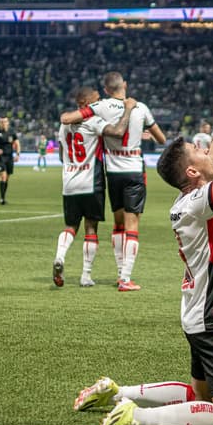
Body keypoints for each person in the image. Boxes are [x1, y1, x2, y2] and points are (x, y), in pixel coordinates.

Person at [73, 68, 213, 425]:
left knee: (201, 395)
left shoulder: (190, 198)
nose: (209, 148)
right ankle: (136, 418)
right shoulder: (201, 202)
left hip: (197, 313)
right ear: (194, 170)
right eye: (200, 150)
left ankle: (120, 393)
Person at [61, 72, 167, 291]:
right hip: (134, 170)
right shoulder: (141, 108)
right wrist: (143, 130)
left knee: (118, 224)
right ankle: (125, 279)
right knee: (132, 225)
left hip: (113, 172)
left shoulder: (100, 106)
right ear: (125, 85)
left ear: (107, 90)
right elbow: (162, 139)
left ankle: (120, 272)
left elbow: (69, 118)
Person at [53, 87, 136, 288]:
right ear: (87, 104)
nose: (100, 104)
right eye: (96, 101)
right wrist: (128, 109)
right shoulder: (94, 121)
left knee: (71, 226)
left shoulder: (63, 127)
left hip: (69, 182)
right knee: (91, 227)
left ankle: (60, 257)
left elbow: (61, 154)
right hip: (91, 181)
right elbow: (117, 132)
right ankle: (85, 275)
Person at [0, 116, 21, 205]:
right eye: (1, 122)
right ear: (0, 123)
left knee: (7, 178)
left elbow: (17, 144)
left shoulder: (11, 133)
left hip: (10, 158)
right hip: (1, 158)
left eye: (5, 121)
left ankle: (3, 197)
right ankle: (2, 199)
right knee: (3, 176)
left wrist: (18, 154)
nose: (3, 123)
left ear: (8, 122)